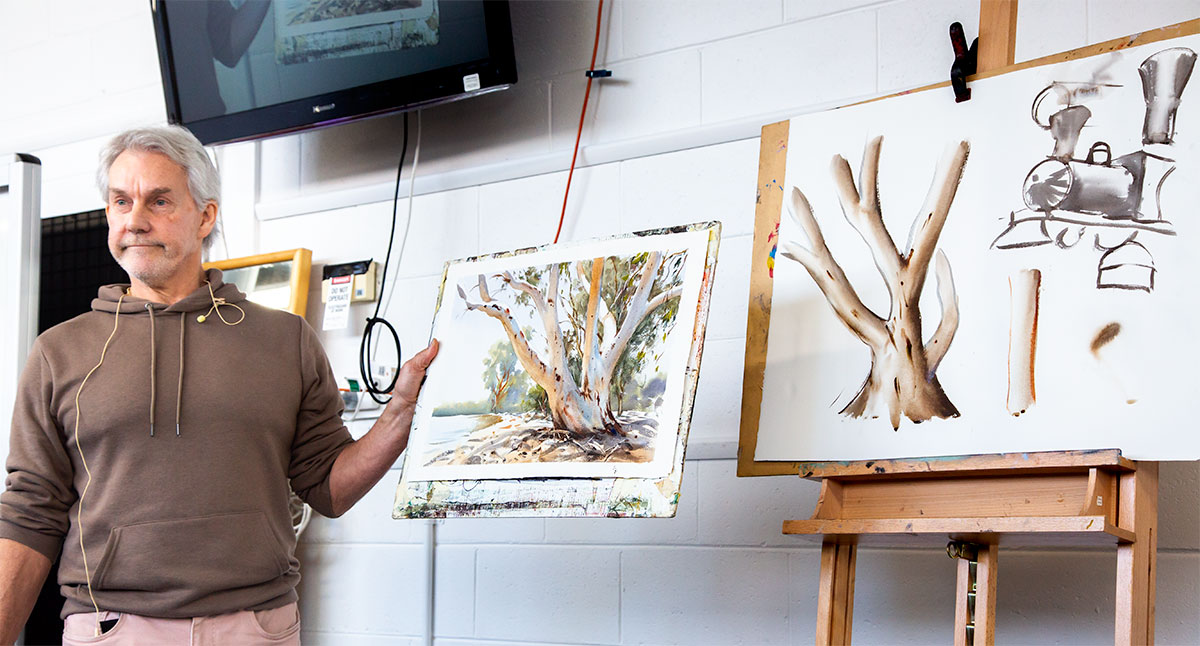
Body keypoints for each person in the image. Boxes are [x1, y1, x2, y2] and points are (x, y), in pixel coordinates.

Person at [0, 125, 438, 644]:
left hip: (257, 625)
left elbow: (328, 486)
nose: (135, 220)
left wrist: (398, 417)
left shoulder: (285, 339)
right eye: (121, 201)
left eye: (158, 201)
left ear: (206, 215)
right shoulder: (58, 351)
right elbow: (31, 509)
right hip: (112, 628)